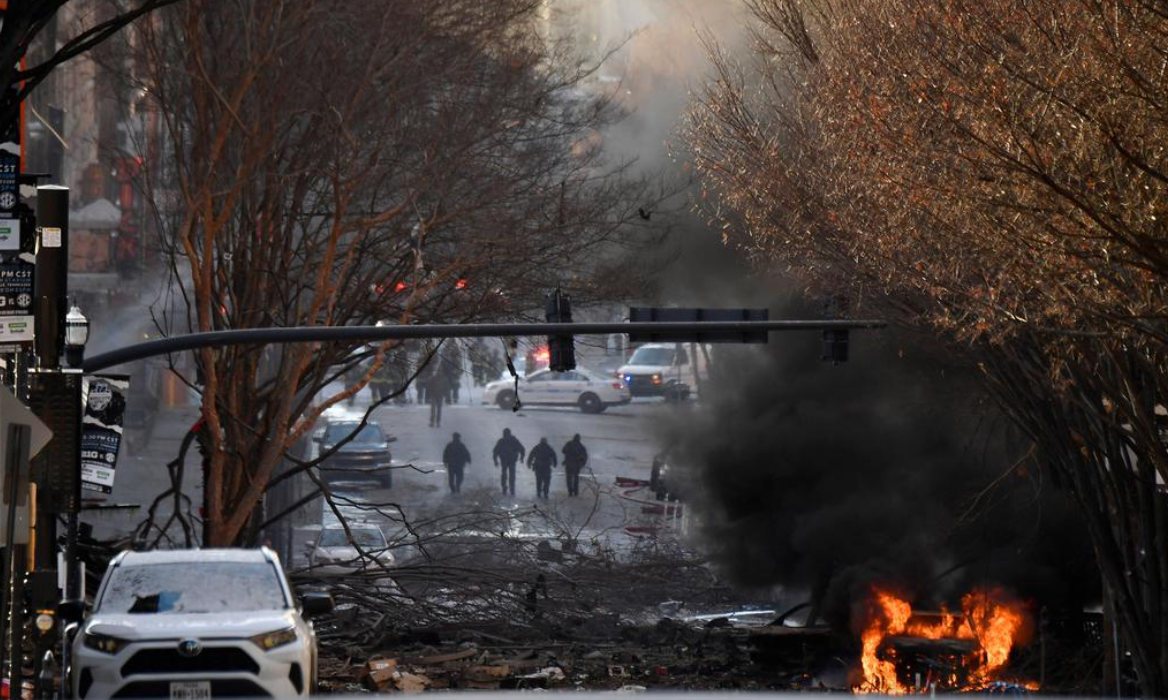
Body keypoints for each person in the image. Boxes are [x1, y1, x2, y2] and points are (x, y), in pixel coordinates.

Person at [493, 428, 526, 496]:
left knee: (510, 475)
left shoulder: (513, 441)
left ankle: (511, 489)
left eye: (506, 434)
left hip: (511, 460)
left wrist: (522, 457)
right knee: (505, 475)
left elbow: (522, 449)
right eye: (505, 434)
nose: (505, 435)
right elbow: (495, 451)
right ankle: (505, 488)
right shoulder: (501, 441)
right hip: (505, 460)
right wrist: (495, 460)